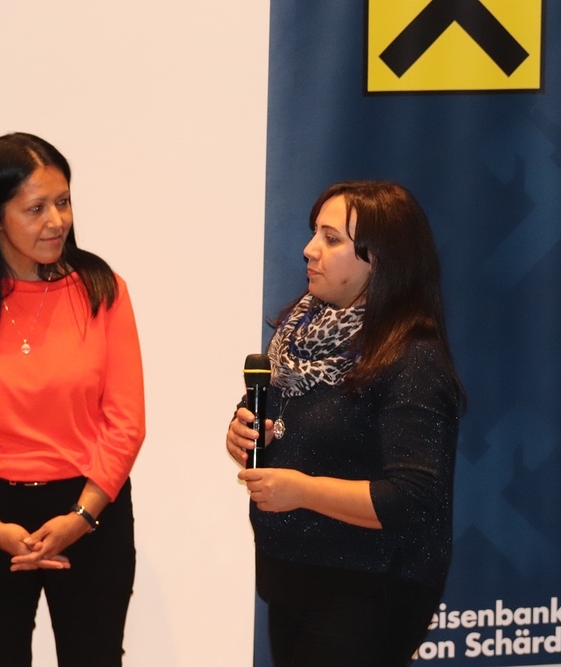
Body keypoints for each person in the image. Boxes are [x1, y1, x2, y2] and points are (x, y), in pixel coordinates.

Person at [0, 133, 144, 666]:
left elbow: (127, 422)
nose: (56, 221)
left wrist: (79, 518)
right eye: (36, 208)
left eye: (63, 202)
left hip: (91, 507)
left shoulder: (103, 290)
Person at [226, 181, 463, 666]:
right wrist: (245, 431)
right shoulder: (300, 334)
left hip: (369, 589)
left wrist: (303, 490)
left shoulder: (412, 360)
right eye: (315, 232)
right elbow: (291, 421)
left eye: (331, 239)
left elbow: (412, 499)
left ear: (378, 258)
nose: (309, 249)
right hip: (291, 575)